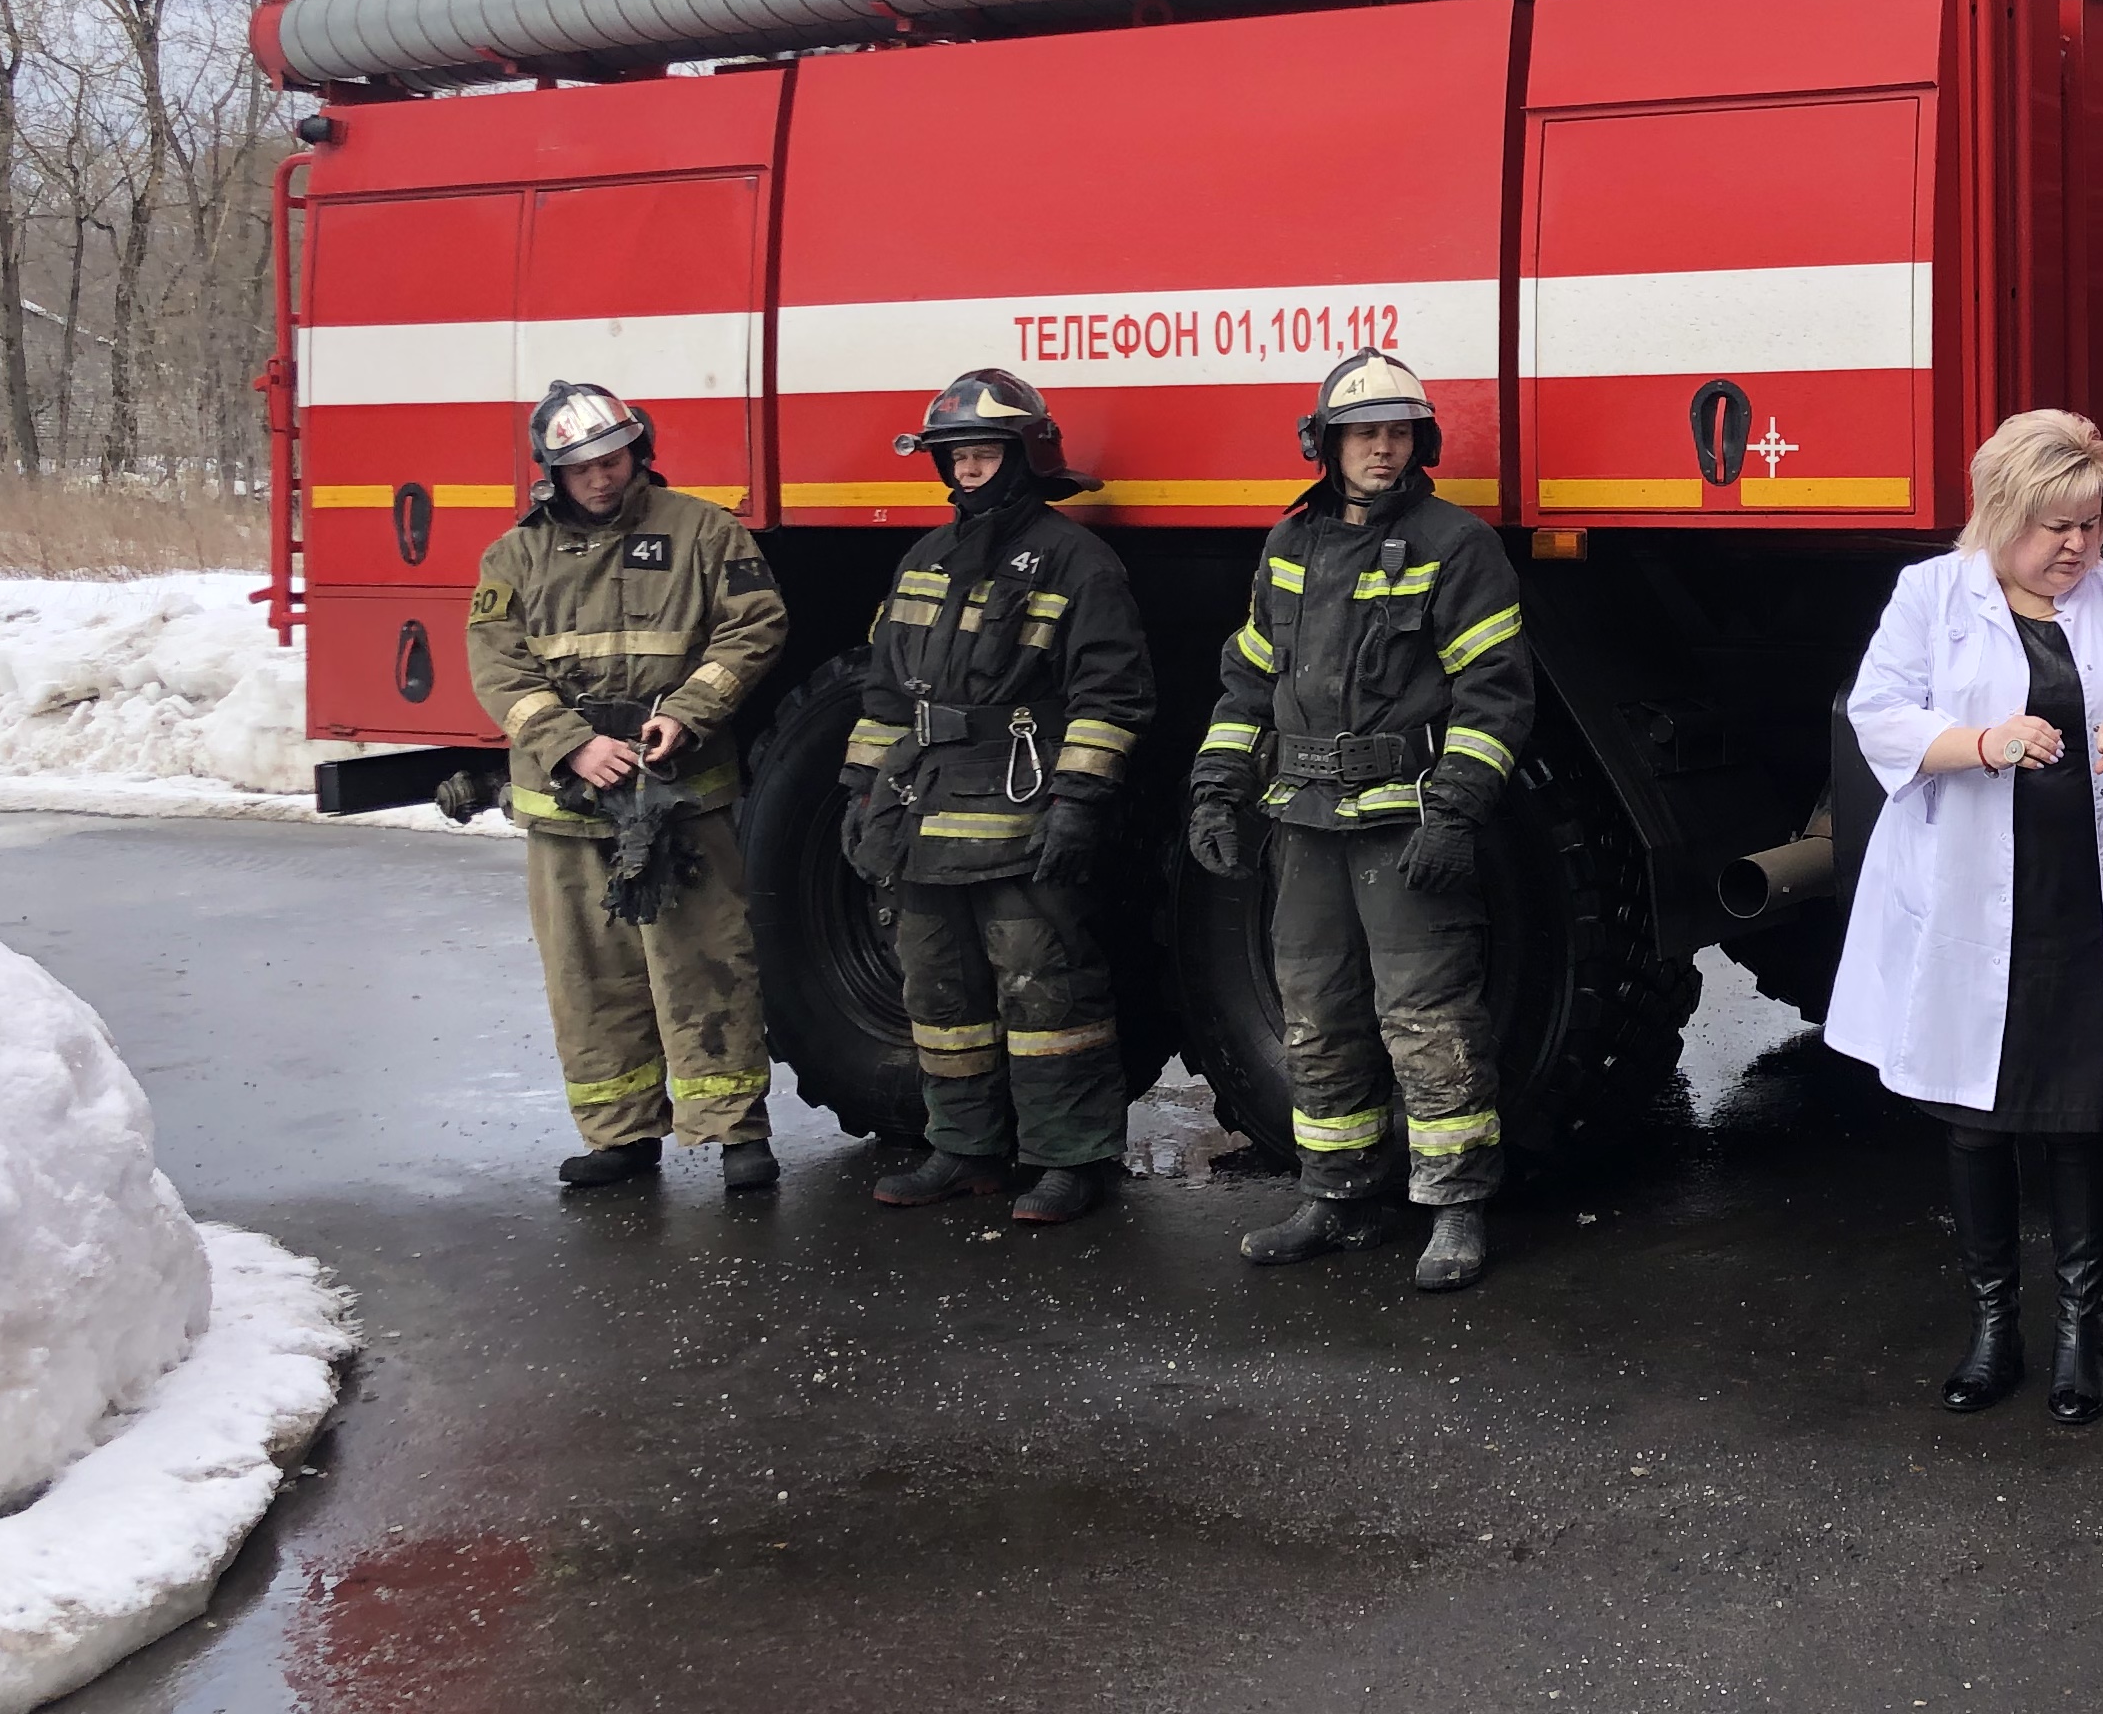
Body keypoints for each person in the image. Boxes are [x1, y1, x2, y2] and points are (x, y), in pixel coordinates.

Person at [1835, 410, 2103, 1425]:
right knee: (1976, 1125)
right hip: (1974, 908)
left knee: (2079, 1120)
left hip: (2081, 904)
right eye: (2055, 525)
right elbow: (1878, 711)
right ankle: (1991, 1329)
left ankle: (2078, 1332)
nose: (2076, 547)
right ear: (2003, 511)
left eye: (2093, 526)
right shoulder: (1933, 596)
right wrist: (1981, 740)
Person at [1195, 352, 1529, 1293]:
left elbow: (1494, 697)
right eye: (1363, 432)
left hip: (1403, 823)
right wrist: (1216, 787)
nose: (1382, 449)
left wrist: (1455, 812)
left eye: (1398, 432)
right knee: (1315, 1016)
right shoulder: (1290, 543)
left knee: (1428, 1020)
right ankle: (1336, 1195)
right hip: (1302, 824)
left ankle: (1455, 1208)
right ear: (1328, 444)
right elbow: (1248, 681)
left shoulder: (1455, 545)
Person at [843, 370, 1155, 1225]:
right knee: (939, 994)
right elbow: (881, 691)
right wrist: (862, 789)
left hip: (1021, 807)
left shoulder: (1078, 562)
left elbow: (1112, 695)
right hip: (924, 807)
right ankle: (964, 1148)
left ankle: (1069, 1157)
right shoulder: (925, 558)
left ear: (1025, 458)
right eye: (957, 456)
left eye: (983, 453)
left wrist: (1080, 803)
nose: (969, 469)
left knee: (1045, 993)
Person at [462, 379, 789, 1194]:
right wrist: (570, 745)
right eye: (583, 469)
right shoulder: (514, 556)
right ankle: (619, 1134)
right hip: (570, 806)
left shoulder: (706, 533)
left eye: (613, 459)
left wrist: (689, 712)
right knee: (589, 975)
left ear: (638, 451)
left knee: (707, 961)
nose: (602, 478)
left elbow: (757, 626)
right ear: (552, 474)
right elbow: (499, 664)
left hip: (679, 793)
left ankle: (735, 1132)